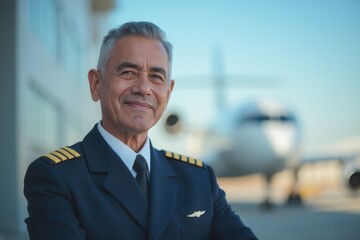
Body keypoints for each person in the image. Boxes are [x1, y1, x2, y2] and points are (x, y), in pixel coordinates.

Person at [24, 21, 258, 240]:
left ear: (168, 92)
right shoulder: (55, 177)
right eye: (128, 72)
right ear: (96, 84)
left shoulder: (199, 180)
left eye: (156, 77)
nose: (144, 88)